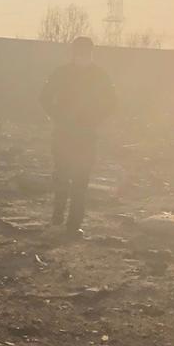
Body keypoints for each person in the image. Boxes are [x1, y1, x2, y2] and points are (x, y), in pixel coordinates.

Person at [40, 37, 116, 239]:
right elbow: (45, 97)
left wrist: (94, 119)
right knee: (62, 177)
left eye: (85, 53)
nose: (82, 57)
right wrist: (58, 117)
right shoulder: (62, 73)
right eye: (79, 53)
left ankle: (73, 225)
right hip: (65, 133)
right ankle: (57, 221)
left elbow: (111, 102)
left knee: (80, 181)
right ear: (73, 53)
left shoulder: (99, 76)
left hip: (85, 135)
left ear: (91, 53)